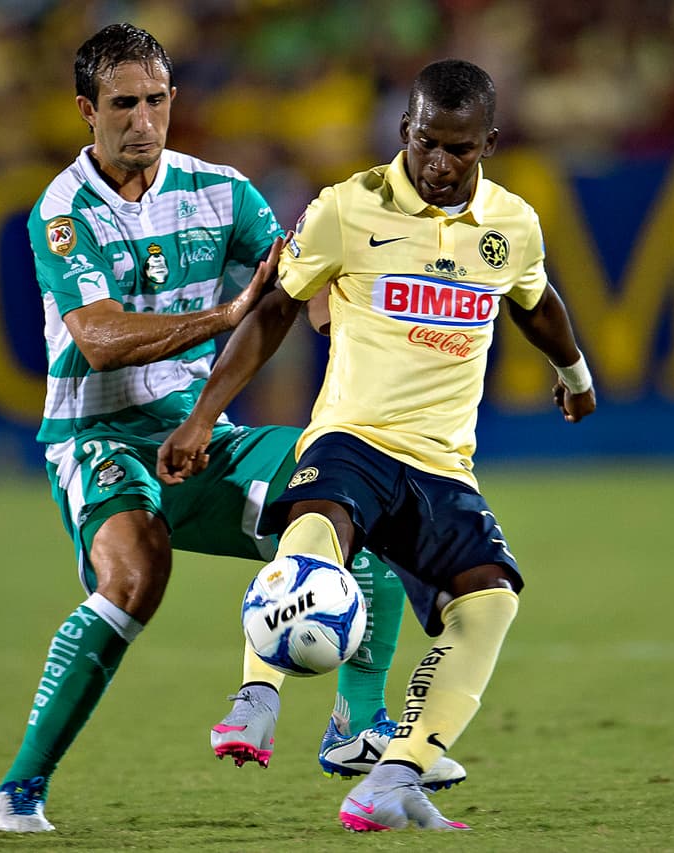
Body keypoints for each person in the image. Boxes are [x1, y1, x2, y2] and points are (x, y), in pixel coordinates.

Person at [0, 24, 460, 834]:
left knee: (353, 491)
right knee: (135, 579)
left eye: (157, 100)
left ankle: (356, 726)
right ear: (85, 111)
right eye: (123, 104)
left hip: (200, 435)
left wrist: (362, 304)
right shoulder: (62, 210)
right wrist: (227, 314)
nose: (142, 120)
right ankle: (17, 791)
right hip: (98, 436)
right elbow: (96, 338)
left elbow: (293, 289)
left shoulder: (223, 193)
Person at [159, 59, 597, 831]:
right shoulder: (346, 208)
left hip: (440, 463)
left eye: (459, 149)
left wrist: (574, 370)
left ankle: (392, 776)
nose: (438, 162)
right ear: (405, 130)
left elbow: (536, 300)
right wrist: (202, 417)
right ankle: (256, 695)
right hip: (354, 435)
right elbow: (274, 310)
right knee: (316, 530)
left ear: (488, 142)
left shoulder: (511, 226)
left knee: (491, 601)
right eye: (426, 141)